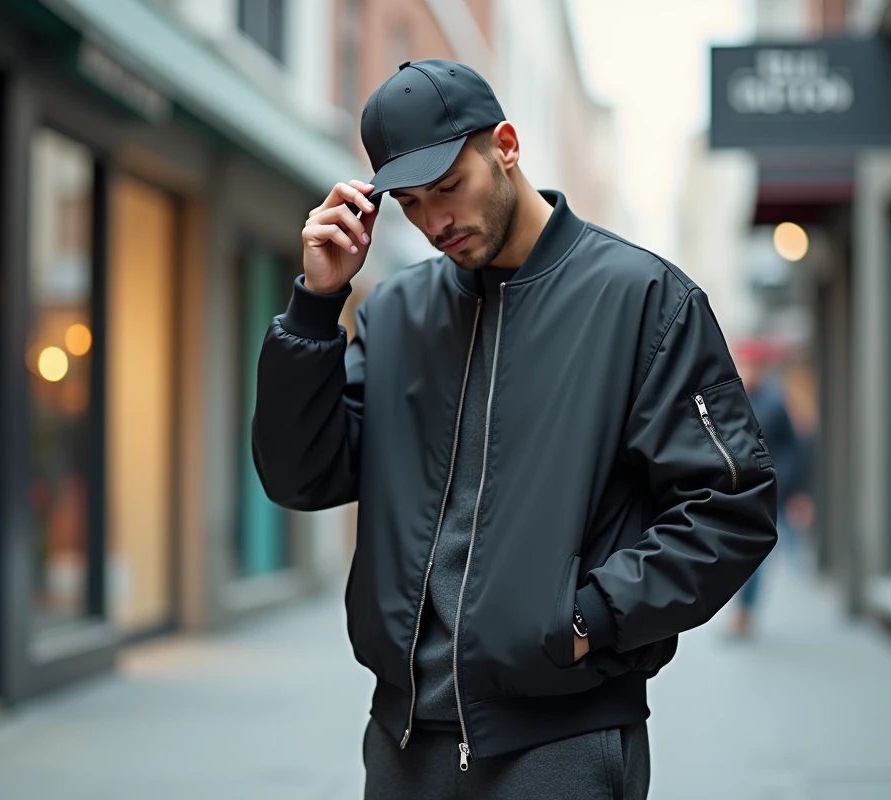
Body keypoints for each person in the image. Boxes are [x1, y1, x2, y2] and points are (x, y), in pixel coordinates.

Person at [252, 59, 778, 800]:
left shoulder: (643, 300)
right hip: (403, 743)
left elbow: (730, 508)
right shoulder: (395, 314)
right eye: (409, 202)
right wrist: (315, 305)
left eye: (448, 188)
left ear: (505, 144)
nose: (435, 222)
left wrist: (588, 620)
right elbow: (300, 475)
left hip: (560, 742)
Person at [728, 341, 803, 638]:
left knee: (755, 553)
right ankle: (741, 610)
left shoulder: (775, 403)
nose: (748, 372)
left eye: (753, 365)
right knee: (735, 553)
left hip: (767, 493)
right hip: (734, 491)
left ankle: (745, 612)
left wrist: (785, 486)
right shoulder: (728, 399)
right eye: (743, 365)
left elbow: (793, 449)